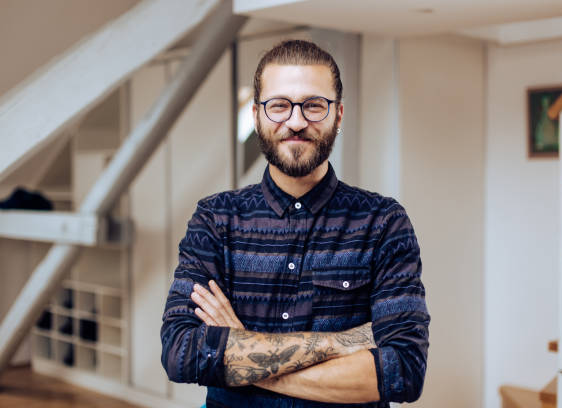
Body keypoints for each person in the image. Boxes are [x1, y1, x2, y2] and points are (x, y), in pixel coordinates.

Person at [161, 39, 430, 408]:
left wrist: (243, 347)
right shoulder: (215, 220)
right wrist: (339, 344)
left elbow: (403, 371)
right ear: (256, 115)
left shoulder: (383, 223)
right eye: (279, 106)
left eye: (314, 106)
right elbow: (181, 352)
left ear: (338, 114)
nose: (297, 121)